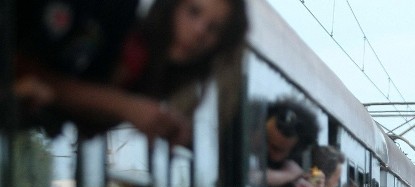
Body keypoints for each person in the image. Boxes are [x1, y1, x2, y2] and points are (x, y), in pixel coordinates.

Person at [15, 0, 248, 145]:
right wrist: (126, 107)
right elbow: (29, 73)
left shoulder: (157, 79)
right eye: (193, 12)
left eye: (214, 28)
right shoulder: (126, 40)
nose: (199, 32)